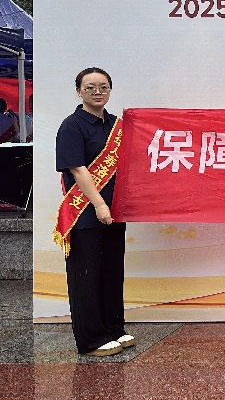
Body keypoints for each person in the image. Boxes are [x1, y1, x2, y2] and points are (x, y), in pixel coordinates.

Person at [54, 67, 133, 356]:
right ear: (79, 91)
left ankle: (113, 328)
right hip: (84, 212)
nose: (97, 92)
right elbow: (77, 168)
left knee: (111, 271)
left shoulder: (116, 125)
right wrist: (99, 204)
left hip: (116, 210)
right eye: (90, 87)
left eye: (103, 87)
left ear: (110, 90)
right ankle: (91, 339)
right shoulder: (72, 126)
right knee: (86, 276)